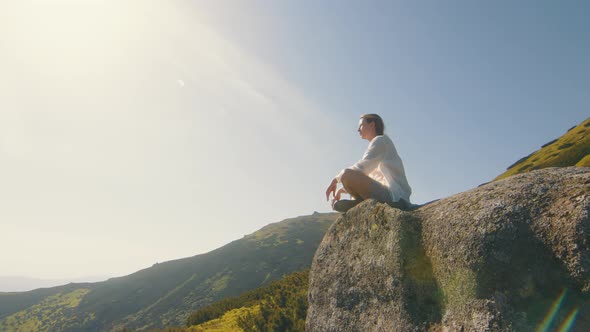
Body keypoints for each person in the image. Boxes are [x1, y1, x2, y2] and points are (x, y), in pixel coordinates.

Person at [325, 114, 413, 212]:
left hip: (395, 198)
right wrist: (341, 190)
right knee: (347, 176)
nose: (358, 130)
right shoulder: (379, 143)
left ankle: (359, 203)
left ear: (372, 124)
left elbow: (361, 168)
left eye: (361, 126)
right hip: (387, 194)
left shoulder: (381, 140)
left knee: (346, 174)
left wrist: (336, 179)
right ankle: (360, 203)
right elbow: (368, 175)